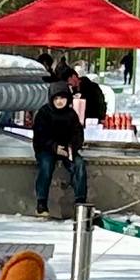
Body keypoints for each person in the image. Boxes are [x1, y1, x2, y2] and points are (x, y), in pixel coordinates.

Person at [30, 79, 87, 218]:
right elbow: (40, 136)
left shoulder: (71, 114)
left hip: (67, 149)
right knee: (46, 166)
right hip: (46, 148)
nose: (60, 101)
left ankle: (80, 202)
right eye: (56, 98)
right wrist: (54, 147)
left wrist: (71, 148)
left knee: (79, 164)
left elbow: (78, 135)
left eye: (62, 98)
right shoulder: (44, 113)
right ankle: (41, 203)